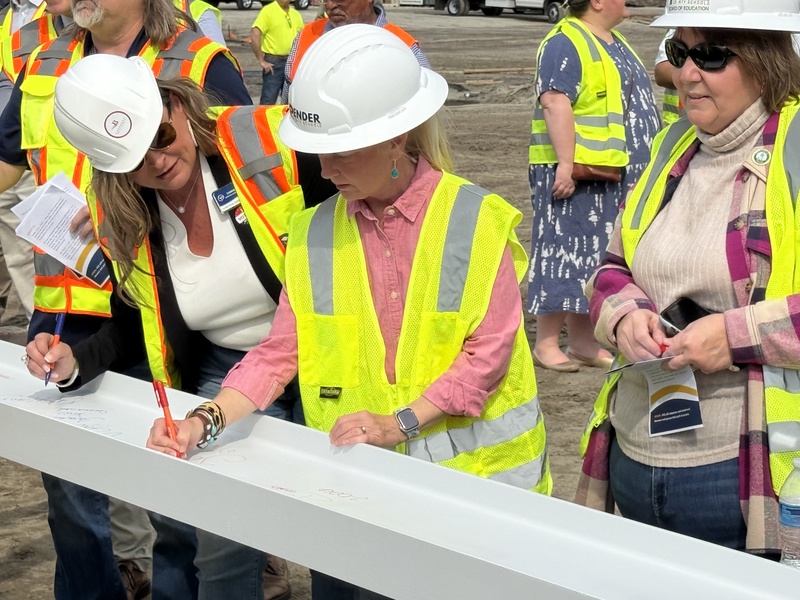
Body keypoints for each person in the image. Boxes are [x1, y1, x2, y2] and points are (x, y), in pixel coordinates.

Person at [147, 23, 552, 599]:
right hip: (357, 495)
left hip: (472, 505)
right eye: (316, 150)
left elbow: (486, 357)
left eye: (340, 150)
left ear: (396, 138)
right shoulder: (312, 231)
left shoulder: (476, 219)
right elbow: (277, 353)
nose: (324, 166)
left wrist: (398, 424)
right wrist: (203, 422)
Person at [27, 52, 336, 599]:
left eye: (162, 134)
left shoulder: (271, 143)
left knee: (340, 538)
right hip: (227, 369)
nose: (157, 160)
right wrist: (76, 362)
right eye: (134, 158)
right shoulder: (124, 210)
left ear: (175, 102)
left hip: (329, 356)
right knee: (221, 548)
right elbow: (133, 324)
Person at [1, 1, 251, 598]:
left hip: (170, 310)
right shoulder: (44, 64)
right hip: (67, 310)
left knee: (180, 498)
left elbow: (243, 172)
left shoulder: (196, 60)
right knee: (69, 491)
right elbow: (8, 163)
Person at [575, 0, 800, 558]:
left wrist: (733, 337)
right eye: (679, 52)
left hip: (743, 472)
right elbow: (611, 266)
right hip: (633, 451)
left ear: (765, 60)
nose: (687, 73)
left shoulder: (795, 150)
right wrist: (623, 315)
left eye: (711, 55)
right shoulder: (669, 147)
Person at [527, 0, 660, 372]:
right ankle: (547, 342)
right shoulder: (565, 41)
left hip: (609, 171)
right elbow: (555, 101)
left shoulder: (612, 39)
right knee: (562, 250)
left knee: (593, 255)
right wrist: (566, 166)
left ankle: (583, 342)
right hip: (578, 171)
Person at [280, 0, 429, 103]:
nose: (330, 5)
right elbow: (286, 103)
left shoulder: (403, 47)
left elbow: (424, 116)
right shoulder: (307, 35)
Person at [0, 0, 47, 326]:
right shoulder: (7, 16)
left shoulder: (61, 10)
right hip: (8, 154)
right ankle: (36, 323)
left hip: (40, 158)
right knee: (17, 253)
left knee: (51, 248)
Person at [250, 0, 303, 105]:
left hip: (292, 62)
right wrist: (261, 60)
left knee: (290, 102)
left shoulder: (296, 14)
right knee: (268, 101)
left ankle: (283, 121)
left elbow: (302, 37)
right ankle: (264, 121)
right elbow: (255, 34)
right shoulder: (268, 11)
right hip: (274, 62)